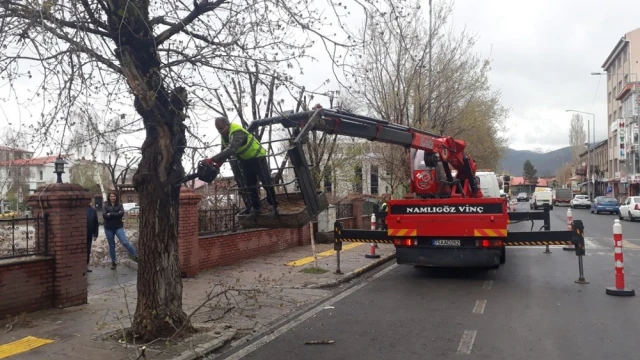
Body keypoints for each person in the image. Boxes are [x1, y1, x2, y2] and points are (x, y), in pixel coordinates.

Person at [205, 116, 278, 219]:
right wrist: (217, 165)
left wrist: (212, 159)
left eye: (221, 128)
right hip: (246, 161)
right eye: (217, 129)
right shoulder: (224, 137)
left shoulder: (237, 132)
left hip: (258, 157)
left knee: (266, 182)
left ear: (228, 125)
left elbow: (231, 150)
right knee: (250, 185)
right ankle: (256, 209)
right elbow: (224, 153)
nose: (219, 131)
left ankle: (273, 206)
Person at [103, 192, 138, 270]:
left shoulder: (120, 205)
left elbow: (121, 214)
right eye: (111, 196)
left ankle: (136, 256)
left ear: (116, 197)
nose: (112, 197)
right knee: (112, 245)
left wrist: (110, 214)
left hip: (118, 227)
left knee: (124, 242)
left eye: (114, 196)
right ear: (109, 197)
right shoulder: (105, 206)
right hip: (108, 228)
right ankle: (113, 262)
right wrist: (116, 214)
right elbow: (105, 216)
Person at [86, 200, 99, 273]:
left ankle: (86, 266)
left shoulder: (93, 211)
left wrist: (95, 234)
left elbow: (96, 223)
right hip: (81, 234)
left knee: (88, 250)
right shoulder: (79, 209)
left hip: (90, 233)